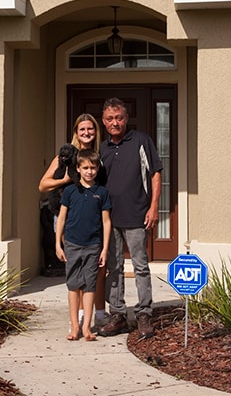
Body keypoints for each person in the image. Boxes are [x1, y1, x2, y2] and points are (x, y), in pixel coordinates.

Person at [97, 97, 162, 339]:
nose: (115, 122)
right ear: (104, 122)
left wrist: (153, 206)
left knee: (140, 267)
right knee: (113, 268)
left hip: (137, 215)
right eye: (110, 119)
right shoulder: (102, 148)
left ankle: (144, 314)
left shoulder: (141, 141)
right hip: (109, 218)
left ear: (126, 118)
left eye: (119, 118)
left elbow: (155, 174)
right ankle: (118, 315)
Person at [39, 114, 108, 328]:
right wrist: (66, 180)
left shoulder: (99, 154)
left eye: (90, 129)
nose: (86, 133)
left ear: (96, 131)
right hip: (67, 216)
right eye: (82, 130)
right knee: (76, 270)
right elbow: (43, 185)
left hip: (93, 217)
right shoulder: (65, 156)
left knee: (97, 270)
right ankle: (78, 318)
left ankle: (99, 312)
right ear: (76, 132)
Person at [55, 149, 111, 341]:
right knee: (73, 285)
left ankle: (87, 327)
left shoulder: (102, 192)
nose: (89, 171)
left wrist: (104, 249)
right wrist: (58, 244)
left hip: (93, 246)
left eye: (93, 167)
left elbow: (106, 222)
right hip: (72, 244)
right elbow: (61, 218)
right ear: (78, 169)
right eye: (85, 167)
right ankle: (74, 327)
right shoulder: (70, 191)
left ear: (97, 169)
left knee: (89, 286)